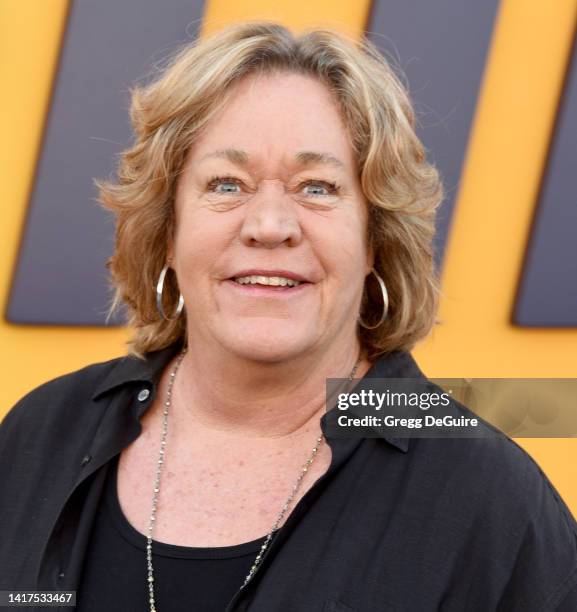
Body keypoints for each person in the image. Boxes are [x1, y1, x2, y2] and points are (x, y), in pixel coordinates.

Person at [1, 20, 576, 612]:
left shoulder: (488, 496)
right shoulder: (41, 434)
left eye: (317, 187)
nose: (269, 226)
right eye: (226, 184)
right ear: (167, 232)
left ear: (376, 238)